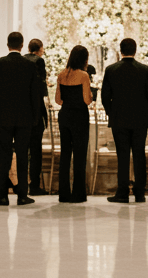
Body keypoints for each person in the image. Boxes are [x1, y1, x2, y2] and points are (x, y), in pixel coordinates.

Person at [101, 38, 148, 203]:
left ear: (120, 50)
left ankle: (122, 192)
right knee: (140, 155)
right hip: (140, 119)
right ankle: (140, 193)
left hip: (119, 119)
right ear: (135, 50)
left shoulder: (111, 69)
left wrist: (112, 113)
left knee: (122, 156)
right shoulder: (144, 69)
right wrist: (145, 111)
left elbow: (105, 96)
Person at [0, 31, 39, 205]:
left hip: (3, 117)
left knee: (3, 156)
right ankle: (23, 195)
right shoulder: (29, 65)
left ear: (7, 45)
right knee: (23, 156)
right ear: (22, 45)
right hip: (24, 117)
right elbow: (34, 94)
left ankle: (2, 195)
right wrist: (34, 117)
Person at [55, 44, 92, 203]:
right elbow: (86, 100)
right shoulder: (84, 76)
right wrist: (90, 96)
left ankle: (63, 193)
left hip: (65, 116)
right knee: (79, 155)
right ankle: (78, 194)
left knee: (65, 154)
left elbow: (58, 100)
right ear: (84, 59)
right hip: (79, 117)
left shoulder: (61, 74)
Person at [23, 38, 49, 196]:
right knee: (35, 151)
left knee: (23, 150)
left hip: (21, 111)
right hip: (34, 112)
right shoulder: (39, 61)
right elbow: (41, 85)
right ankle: (34, 185)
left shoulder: (22, 60)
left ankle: (22, 183)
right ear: (39, 49)